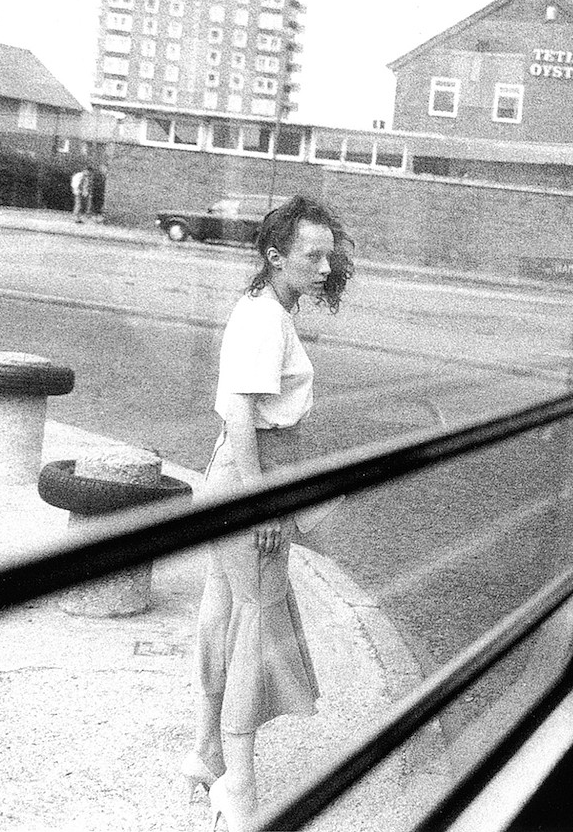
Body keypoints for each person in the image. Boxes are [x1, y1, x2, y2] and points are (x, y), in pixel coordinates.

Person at [179, 196, 354, 831]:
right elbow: (242, 422)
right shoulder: (263, 322)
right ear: (275, 257)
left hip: (236, 476)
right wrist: (264, 504)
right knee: (255, 621)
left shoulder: (265, 310)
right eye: (313, 255)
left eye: (329, 253)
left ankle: (206, 753)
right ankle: (240, 786)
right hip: (251, 479)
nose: (325, 265)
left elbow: (236, 423)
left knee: (224, 611)